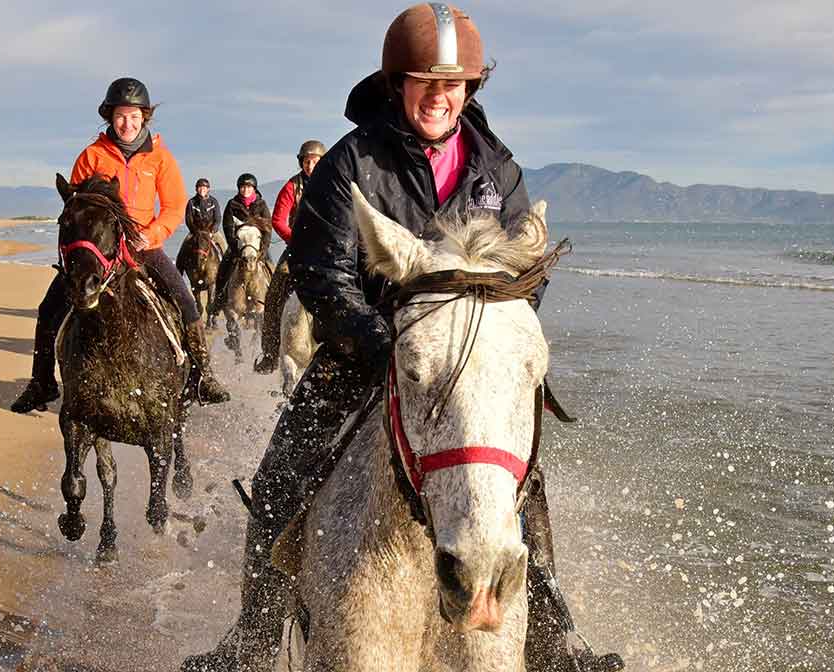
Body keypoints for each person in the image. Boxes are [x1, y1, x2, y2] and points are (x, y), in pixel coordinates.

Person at [183, 5, 622, 672]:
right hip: (369, 349)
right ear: (397, 83)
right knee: (280, 475)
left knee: (520, 483)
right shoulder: (350, 163)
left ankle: (555, 632)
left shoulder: (497, 170)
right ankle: (251, 636)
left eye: (453, 83)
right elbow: (320, 267)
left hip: (464, 358)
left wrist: (485, 335)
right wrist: (378, 337)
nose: (439, 96)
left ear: (470, 88)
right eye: (425, 81)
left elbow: (524, 279)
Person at [10, 77, 230, 413]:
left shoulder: (161, 159)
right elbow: (76, 207)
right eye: (120, 117)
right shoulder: (92, 156)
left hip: (142, 245)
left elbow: (172, 208)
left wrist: (153, 234)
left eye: (134, 117)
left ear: (145, 117)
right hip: (99, 251)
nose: (127, 124)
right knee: (49, 308)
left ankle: (203, 374)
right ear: (110, 118)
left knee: (185, 299)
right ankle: (41, 383)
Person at [250, 140, 325, 373]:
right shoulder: (292, 187)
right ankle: (271, 352)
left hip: (329, 248)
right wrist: (297, 240)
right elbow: (278, 220)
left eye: (315, 161)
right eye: (307, 161)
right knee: (274, 292)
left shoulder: (334, 182)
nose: (311, 166)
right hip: (298, 247)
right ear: (301, 162)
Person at [210, 173, 270, 315]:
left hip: (257, 247)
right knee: (224, 268)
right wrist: (235, 248)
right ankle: (218, 300)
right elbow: (227, 227)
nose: (245, 190)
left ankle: (274, 300)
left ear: (254, 188)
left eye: (248, 187)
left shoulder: (262, 205)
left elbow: (267, 229)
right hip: (238, 246)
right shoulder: (232, 204)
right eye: (243, 187)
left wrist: (264, 248)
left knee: (272, 268)